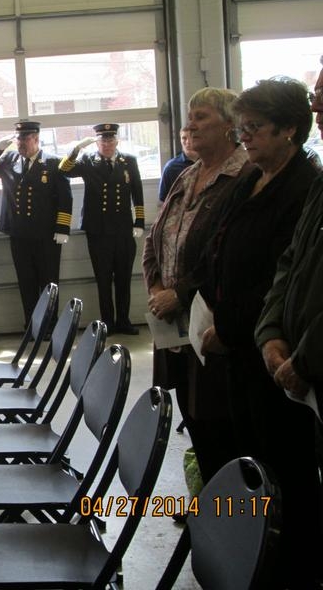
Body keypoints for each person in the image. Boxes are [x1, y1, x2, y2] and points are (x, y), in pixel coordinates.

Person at [198, 76, 319, 588]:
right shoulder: (252, 176)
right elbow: (218, 243)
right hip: (241, 347)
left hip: (271, 354)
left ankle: (294, 567)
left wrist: (247, 331)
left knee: (286, 466)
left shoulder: (303, 183)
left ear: (290, 130)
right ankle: (257, 557)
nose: (244, 137)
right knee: (249, 456)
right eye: (242, 127)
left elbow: (281, 269)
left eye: (255, 128)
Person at [143, 87, 253, 483]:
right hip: (176, 330)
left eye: (201, 116)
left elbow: (228, 255)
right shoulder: (187, 175)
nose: (190, 125)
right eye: (190, 116)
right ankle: (214, 518)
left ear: (230, 125)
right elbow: (155, 237)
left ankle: (236, 526)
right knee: (198, 428)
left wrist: (182, 292)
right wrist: (156, 287)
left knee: (224, 435)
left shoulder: (244, 177)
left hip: (213, 329)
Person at [255, 57, 323, 583]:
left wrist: (303, 357)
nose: (317, 104)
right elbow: (289, 263)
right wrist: (270, 333)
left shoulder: (307, 178)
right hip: (292, 360)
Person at [0, 121, 72, 327]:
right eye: (18, 139)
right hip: (19, 233)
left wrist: (62, 227)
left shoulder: (53, 163)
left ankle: (50, 325)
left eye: (25, 139)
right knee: (26, 282)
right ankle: (31, 325)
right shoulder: (10, 159)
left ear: (36, 139)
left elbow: (65, 197)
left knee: (49, 282)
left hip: (46, 235)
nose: (21, 143)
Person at [59, 123, 144, 335]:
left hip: (123, 229)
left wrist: (139, 221)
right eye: (103, 141)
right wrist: (76, 149)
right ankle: (108, 322)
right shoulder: (88, 161)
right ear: (97, 142)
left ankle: (123, 320)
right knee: (104, 279)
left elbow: (137, 192)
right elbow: (64, 169)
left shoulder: (129, 161)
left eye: (110, 140)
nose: (107, 144)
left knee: (123, 278)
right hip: (98, 230)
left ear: (117, 141)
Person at [157, 127, 198, 204]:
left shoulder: (210, 163)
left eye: (192, 137)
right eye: (184, 138)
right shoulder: (171, 167)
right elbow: (164, 197)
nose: (188, 142)